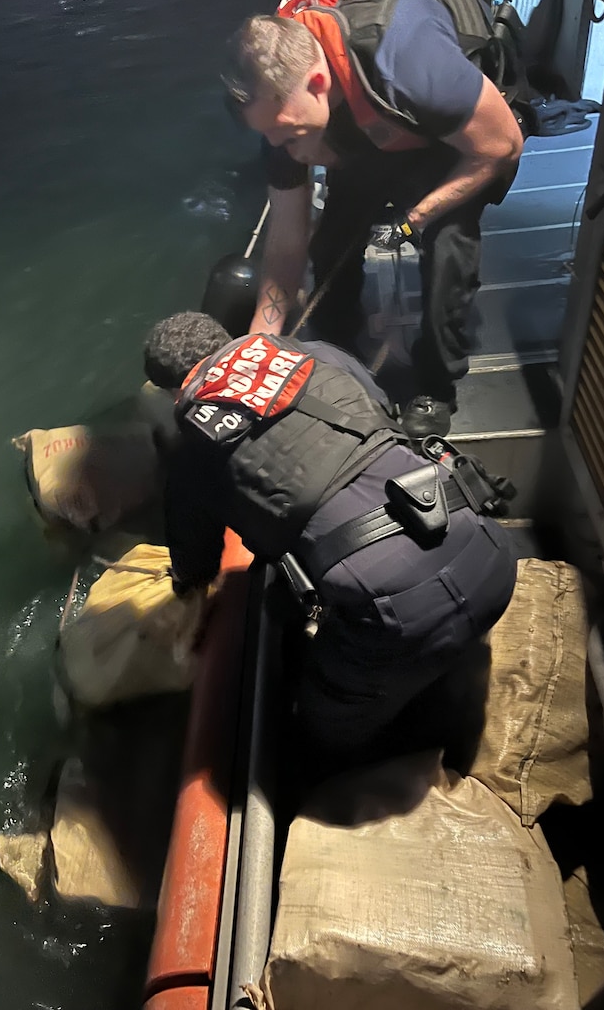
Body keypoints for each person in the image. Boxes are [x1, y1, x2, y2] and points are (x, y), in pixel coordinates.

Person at [143, 310, 517, 783]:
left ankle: (388, 745)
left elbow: (195, 565)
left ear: (175, 390)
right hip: (488, 546)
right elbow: (382, 410)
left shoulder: (191, 447)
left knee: (322, 727)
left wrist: (184, 589)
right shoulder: (313, 352)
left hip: (396, 617)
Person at [222, 0, 526, 438]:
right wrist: (259, 348)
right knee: (328, 246)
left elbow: (504, 146)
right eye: (273, 138)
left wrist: (416, 218)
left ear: (318, 85)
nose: (284, 151)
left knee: (450, 249)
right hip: (364, 130)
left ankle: (437, 384)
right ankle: (341, 356)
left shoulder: (412, 66)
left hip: (446, 140)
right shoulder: (281, 118)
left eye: (288, 136)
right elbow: (284, 246)